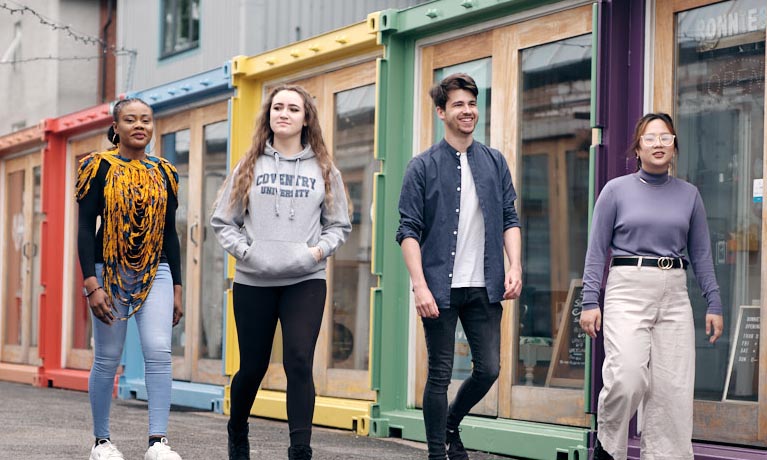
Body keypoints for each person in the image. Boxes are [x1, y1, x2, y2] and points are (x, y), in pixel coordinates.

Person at [211, 84, 351, 460]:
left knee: (300, 360)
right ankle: (237, 428)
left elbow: (339, 225)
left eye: (293, 108)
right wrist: (247, 252)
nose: (284, 114)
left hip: (305, 279)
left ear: (306, 119)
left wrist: (317, 251)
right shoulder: (250, 165)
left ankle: (300, 450)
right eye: (277, 108)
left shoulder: (323, 168)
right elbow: (223, 220)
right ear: (269, 116)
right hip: (254, 280)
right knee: (253, 367)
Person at [579, 113, 724, 460]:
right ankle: (607, 447)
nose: (658, 144)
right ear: (637, 147)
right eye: (650, 138)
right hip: (627, 288)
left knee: (672, 391)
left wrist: (714, 303)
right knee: (627, 376)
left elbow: (701, 254)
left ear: (674, 146)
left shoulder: (689, 195)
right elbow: (597, 248)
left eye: (666, 138)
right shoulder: (616, 190)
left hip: (674, 291)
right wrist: (588, 300)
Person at [396, 73, 522, 460]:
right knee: (440, 373)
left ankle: (451, 425)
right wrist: (419, 285)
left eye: (472, 104)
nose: (468, 111)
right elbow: (407, 230)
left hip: (485, 284)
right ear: (441, 112)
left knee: (488, 369)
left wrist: (514, 264)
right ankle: (437, 453)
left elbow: (509, 217)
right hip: (439, 286)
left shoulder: (494, 161)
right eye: (458, 105)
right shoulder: (422, 166)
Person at [76, 98, 184, 460]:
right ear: (116, 126)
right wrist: (91, 283)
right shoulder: (98, 168)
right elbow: (84, 228)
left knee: (158, 351)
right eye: (131, 120)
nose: (140, 125)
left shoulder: (165, 172)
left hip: (158, 270)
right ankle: (102, 442)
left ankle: (158, 442)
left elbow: (170, 233)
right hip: (109, 270)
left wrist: (178, 288)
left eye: (146, 120)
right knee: (108, 356)